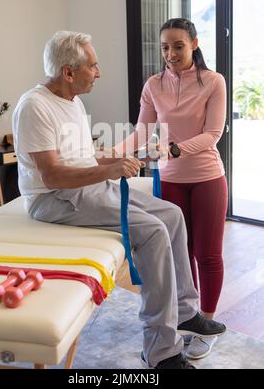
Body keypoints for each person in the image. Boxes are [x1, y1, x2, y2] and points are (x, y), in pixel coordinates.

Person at [12, 30, 226, 370]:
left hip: (85, 188)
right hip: (54, 199)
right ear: (68, 72)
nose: (98, 74)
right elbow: (52, 176)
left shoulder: (72, 101)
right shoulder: (35, 107)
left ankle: (185, 312)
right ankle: (160, 350)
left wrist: (111, 162)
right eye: (93, 67)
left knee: (171, 215)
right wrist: (111, 170)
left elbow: (80, 159)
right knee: (153, 231)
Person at [116, 18, 228, 360]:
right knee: (181, 254)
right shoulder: (153, 85)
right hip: (170, 180)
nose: (170, 53)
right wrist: (109, 154)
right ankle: (186, 318)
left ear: (194, 43)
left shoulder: (213, 82)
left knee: (206, 254)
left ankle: (206, 323)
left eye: (178, 46)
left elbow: (213, 134)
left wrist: (175, 149)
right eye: (165, 47)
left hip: (207, 177)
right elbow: (140, 132)